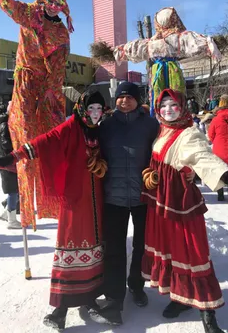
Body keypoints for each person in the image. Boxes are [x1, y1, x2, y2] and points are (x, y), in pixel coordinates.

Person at [0, 91, 107, 331]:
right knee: (70, 246)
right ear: (81, 109)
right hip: (74, 202)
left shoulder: (99, 131)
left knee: (95, 245)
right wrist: (8, 159)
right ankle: (61, 308)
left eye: (99, 109)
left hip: (96, 202)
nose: (95, 113)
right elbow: (41, 143)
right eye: (91, 109)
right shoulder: (70, 128)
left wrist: (102, 163)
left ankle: (90, 298)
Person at [141, 86, 228, 333]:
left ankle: (208, 313)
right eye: (163, 106)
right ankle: (180, 298)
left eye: (173, 105)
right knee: (171, 251)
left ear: (183, 107)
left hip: (181, 204)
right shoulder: (161, 129)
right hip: (161, 203)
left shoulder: (188, 134)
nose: (168, 110)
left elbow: (204, 158)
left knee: (192, 253)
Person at [0, 0, 74, 229]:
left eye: (57, 6)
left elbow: (58, 67)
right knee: (25, 138)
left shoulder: (60, 32)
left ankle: (57, 203)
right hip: (25, 81)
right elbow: (8, 4)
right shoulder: (30, 14)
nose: (52, 9)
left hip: (47, 87)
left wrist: (52, 92)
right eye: (49, 3)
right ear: (43, 0)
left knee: (51, 139)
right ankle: (23, 210)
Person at [89, 82, 160, 326]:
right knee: (115, 250)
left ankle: (136, 286)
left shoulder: (151, 124)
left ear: (138, 100)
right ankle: (114, 297)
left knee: (141, 247)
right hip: (113, 198)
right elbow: (91, 150)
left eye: (130, 97)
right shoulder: (105, 125)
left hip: (142, 196)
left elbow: (161, 153)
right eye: (121, 97)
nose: (124, 101)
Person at [208, 94, 228, 202]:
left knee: (220, 171)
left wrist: (216, 142)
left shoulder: (215, 119)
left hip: (218, 148)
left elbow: (210, 135)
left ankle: (220, 195)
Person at [0, 103, 20, 229]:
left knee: (14, 190)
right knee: (12, 191)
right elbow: (6, 144)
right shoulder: (5, 125)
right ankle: (11, 220)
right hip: (7, 163)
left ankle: (6, 213)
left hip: (9, 162)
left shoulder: (6, 124)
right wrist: (17, 146)